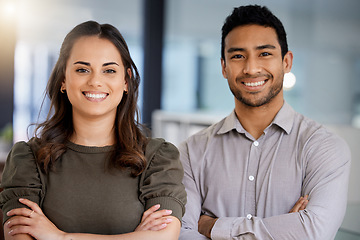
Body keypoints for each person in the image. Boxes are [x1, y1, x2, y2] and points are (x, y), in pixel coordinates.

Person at [0, 20, 186, 240]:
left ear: (126, 81)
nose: (96, 81)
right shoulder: (28, 159)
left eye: (109, 70)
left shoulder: (158, 158)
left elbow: (163, 237)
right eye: (82, 69)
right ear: (63, 79)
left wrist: (60, 237)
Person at [179, 5, 351, 240]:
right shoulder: (192, 151)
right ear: (224, 67)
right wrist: (286, 228)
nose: (251, 68)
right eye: (238, 56)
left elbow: (314, 232)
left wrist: (212, 226)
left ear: (286, 62)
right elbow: (180, 233)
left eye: (265, 53)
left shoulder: (323, 148)